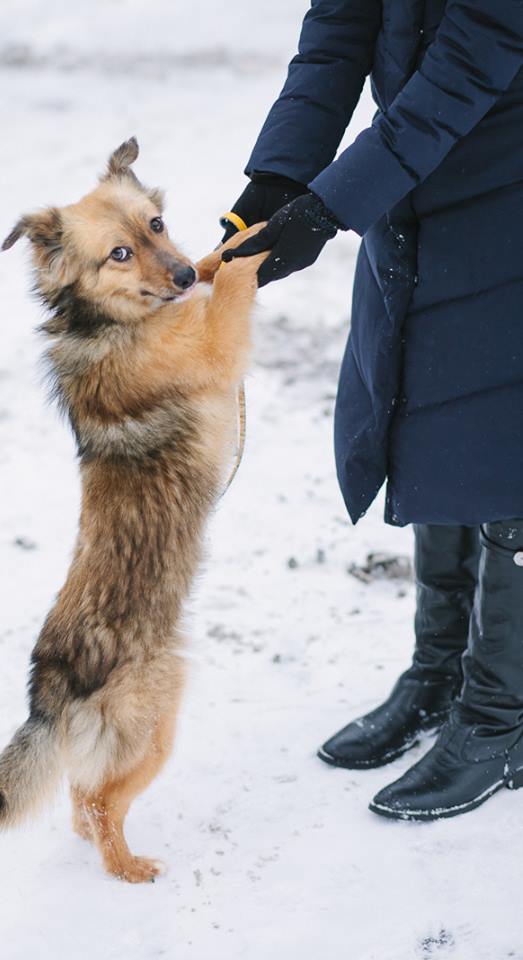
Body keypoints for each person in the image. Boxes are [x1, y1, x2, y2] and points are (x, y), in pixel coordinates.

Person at [221, 0, 523, 821]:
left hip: (505, 176)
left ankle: (499, 717)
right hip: (412, 178)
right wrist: (276, 181)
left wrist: (327, 208)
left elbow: (470, 62)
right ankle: (439, 671)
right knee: (429, 411)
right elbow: (335, 39)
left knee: (506, 441)